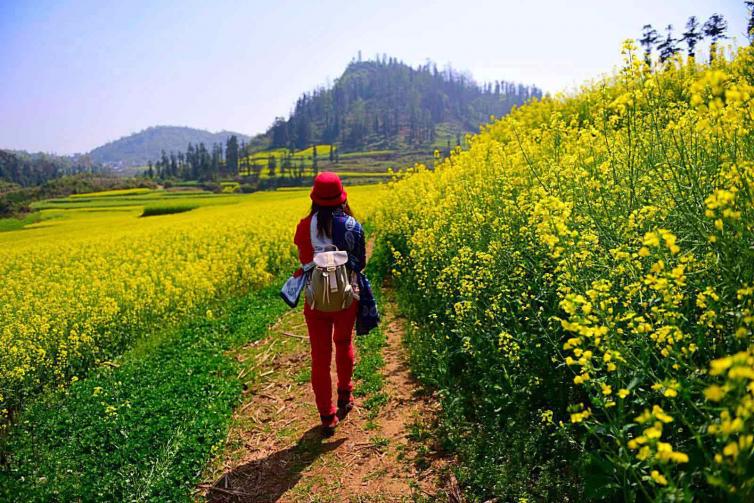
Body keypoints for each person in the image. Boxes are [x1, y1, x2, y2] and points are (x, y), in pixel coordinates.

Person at [293, 172, 379, 436]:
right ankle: (345, 394)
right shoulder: (352, 225)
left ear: (315, 198)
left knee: (320, 356)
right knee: (343, 344)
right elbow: (360, 263)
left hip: (315, 301)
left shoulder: (304, 225)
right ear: (342, 196)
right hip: (346, 298)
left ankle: (327, 416)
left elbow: (304, 258)